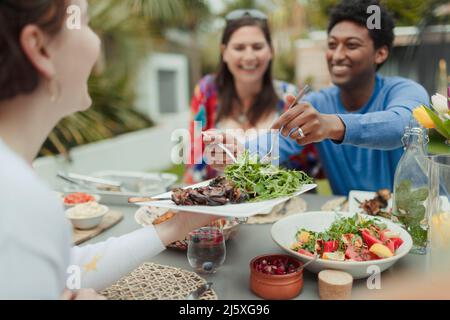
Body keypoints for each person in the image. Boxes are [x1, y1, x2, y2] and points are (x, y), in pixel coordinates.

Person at [0, 0, 215, 300]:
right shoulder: (20, 204)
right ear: (40, 48)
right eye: (84, 22)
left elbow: (64, 270)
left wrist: (176, 226)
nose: (97, 41)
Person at [205, 0, 430, 196]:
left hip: (417, 223)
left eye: (351, 45)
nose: (337, 55)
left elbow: (403, 127)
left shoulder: (405, 91)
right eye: (332, 45)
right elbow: (278, 141)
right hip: (352, 228)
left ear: (380, 53)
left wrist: (332, 124)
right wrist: (240, 151)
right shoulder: (318, 102)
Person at [185, 9, 321, 184]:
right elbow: (194, 159)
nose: (249, 57)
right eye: (239, 48)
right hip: (220, 203)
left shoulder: (290, 96)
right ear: (224, 52)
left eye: (257, 47)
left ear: (271, 50)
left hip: (281, 204)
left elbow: (310, 163)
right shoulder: (207, 91)